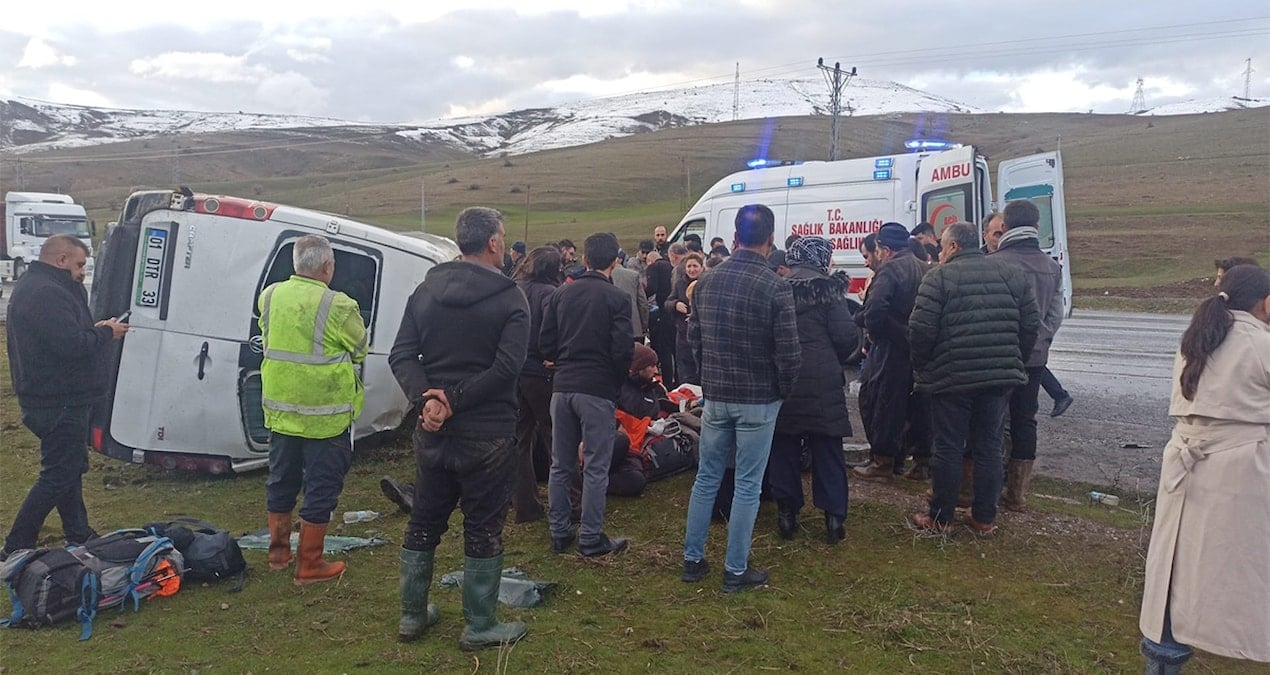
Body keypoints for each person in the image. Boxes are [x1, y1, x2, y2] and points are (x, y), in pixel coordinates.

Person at [388, 206, 530, 650]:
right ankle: (480, 624)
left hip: (434, 430)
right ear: (493, 242)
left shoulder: (425, 292)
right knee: (483, 526)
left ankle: (412, 614)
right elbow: (508, 367)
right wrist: (450, 400)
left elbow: (401, 354)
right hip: (487, 432)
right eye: (502, 237)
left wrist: (428, 398)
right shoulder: (510, 298)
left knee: (424, 520)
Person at [1139, 264, 1270, 672]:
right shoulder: (1260, 344)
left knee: (1175, 572)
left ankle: (1163, 660)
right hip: (1239, 473)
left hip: (1186, 467)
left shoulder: (1197, 338)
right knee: (1225, 570)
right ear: (1267, 304)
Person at [682, 204, 801, 593]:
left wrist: (708, 377)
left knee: (707, 477)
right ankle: (735, 569)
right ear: (771, 240)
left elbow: (695, 338)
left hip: (718, 395)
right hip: (758, 398)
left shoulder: (707, 282)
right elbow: (788, 351)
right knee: (748, 484)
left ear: (735, 237)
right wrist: (783, 390)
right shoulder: (776, 286)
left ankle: (693, 560)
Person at [1, 235, 128, 560]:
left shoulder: (41, 286)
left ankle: (79, 532)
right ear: (61, 260)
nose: (83, 272)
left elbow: (63, 335)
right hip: (58, 399)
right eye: (80, 264)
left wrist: (94, 328)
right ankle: (16, 545)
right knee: (58, 474)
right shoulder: (46, 293)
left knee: (68, 469)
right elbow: (71, 346)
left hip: (54, 395)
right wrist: (105, 333)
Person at [908, 223, 1038, 535]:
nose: (940, 253)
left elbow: (921, 330)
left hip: (951, 377)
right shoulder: (1012, 274)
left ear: (953, 247)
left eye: (942, 247)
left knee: (949, 446)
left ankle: (941, 518)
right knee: (990, 445)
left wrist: (924, 366)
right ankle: (984, 518)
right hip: (998, 377)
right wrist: (1014, 359)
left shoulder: (938, 277)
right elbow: (1030, 324)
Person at [259, 235, 368, 585]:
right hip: (326, 417)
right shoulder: (339, 306)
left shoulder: (270, 296)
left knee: (281, 480)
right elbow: (360, 348)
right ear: (328, 266)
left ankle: (278, 555)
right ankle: (309, 564)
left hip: (281, 412)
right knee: (321, 487)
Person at [540, 232, 634, 557]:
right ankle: (591, 537)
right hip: (597, 387)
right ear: (615, 261)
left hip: (563, 385)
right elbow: (623, 351)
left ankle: (558, 530)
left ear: (584, 259)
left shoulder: (561, 294)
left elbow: (545, 343)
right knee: (595, 465)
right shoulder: (617, 298)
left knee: (560, 464)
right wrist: (615, 381)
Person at [766, 237, 858, 544]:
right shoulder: (829, 291)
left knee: (784, 446)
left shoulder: (776, 288)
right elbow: (846, 337)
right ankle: (833, 518)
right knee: (828, 449)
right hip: (823, 380)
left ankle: (787, 514)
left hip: (784, 377)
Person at [990, 199, 1064, 512]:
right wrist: (1041, 338)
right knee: (1024, 420)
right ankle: (1017, 494)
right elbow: (1056, 314)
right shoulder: (1052, 267)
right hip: (1035, 358)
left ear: (1004, 226)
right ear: (1036, 227)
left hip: (997, 355)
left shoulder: (994, 263)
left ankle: (987, 487)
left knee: (991, 419)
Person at [853, 222, 930, 480]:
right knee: (917, 405)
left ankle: (883, 461)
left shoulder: (889, 270)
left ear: (885, 250)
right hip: (918, 346)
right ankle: (920, 462)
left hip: (890, 347)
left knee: (880, 400)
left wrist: (872, 332)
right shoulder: (924, 267)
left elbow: (875, 310)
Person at [511, 245, 563, 524]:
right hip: (541, 373)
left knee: (520, 440)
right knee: (554, 436)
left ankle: (525, 506)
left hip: (514, 370)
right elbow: (551, 331)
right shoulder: (551, 294)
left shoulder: (514, 288)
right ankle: (565, 503)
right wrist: (552, 354)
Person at [665, 252, 704, 385]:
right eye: (689, 266)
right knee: (685, 374)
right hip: (683, 336)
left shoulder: (706, 283)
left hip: (702, 336)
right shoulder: (680, 284)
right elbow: (668, 302)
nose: (692, 270)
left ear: (702, 267)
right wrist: (675, 304)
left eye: (695, 266)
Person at [645, 248, 678, 384]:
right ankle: (678, 379)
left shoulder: (653, 267)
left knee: (664, 350)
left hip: (663, 311)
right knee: (675, 349)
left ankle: (667, 381)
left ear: (649, 261)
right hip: (674, 310)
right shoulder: (670, 266)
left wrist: (642, 294)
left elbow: (652, 288)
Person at [610, 248, 649, 343]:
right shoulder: (633, 275)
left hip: (610, 332)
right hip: (634, 328)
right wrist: (644, 326)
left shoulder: (600, 277)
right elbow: (643, 304)